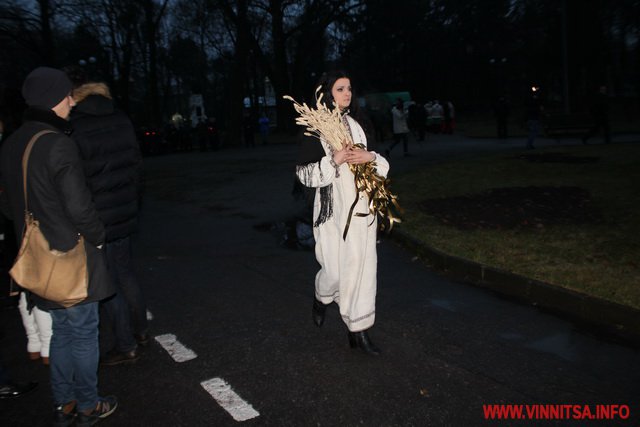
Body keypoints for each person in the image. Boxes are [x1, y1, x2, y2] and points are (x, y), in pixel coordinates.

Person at [0, 67, 117, 426]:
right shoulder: (57, 143)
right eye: (67, 95)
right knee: (82, 332)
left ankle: (63, 403)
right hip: (69, 256)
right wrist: (97, 236)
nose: (71, 101)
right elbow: (80, 206)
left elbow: (7, 206)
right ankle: (87, 405)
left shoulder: (13, 142)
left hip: (35, 258)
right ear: (54, 99)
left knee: (62, 332)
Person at [295, 70, 390, 355]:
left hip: (362, 211)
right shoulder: (315, 128)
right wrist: (333, 160)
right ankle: (321, 296)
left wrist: (369, 157)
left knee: (361, 270)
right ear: (327, 93)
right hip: (332, 214)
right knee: (335, 272)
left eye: (349, 88)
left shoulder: (358, 125)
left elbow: (379, 165)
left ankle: (358, 332)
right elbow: (305, 175)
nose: (347, 93)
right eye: (340, 89)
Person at [70, 82, 149, 366]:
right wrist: (133, 203)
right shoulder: (122, 120)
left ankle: (126, 344)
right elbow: (137, 166)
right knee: (126, 273)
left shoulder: (75, 126)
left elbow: (76, 178)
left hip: (96, 217)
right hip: (124, 211)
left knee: (107, 282)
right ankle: (140, 331)